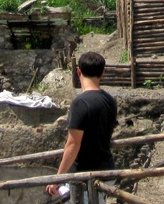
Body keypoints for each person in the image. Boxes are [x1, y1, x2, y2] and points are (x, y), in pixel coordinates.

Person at [46, 52, 118, 203]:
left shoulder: (80, 103)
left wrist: (57, 179)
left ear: (78, 71)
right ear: (102, 73)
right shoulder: (110, 101)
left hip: (85, 176)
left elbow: (73, 144)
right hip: (107, 171)